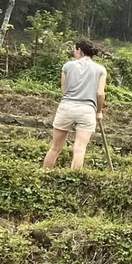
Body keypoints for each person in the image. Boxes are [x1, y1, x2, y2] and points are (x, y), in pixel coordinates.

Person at [43, 39, 107, 171]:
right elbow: (100, 93)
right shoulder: (100, 69)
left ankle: (44, 173)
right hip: (87, 110)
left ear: (79, 50)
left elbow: (64, 89)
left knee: (55, 147)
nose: (74, 52)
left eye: (74, 50)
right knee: (80, 148)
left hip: (66, 106)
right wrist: (99, 112)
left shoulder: (67, 66)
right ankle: (74, 178)